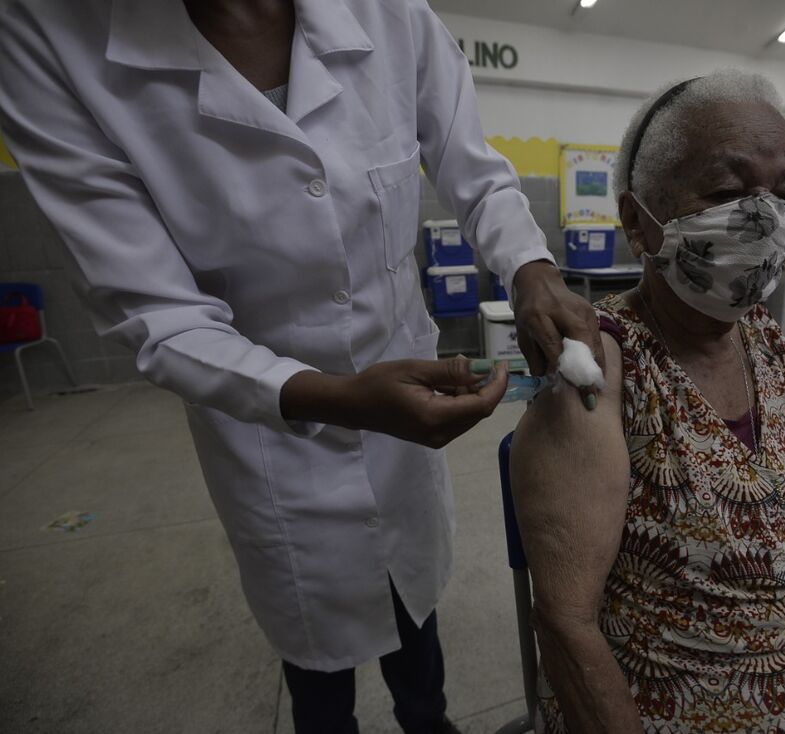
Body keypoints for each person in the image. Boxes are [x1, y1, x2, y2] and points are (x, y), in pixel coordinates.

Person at [0, 1, 604, 732]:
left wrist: (531, 267)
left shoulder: (388, 15)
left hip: (397, 382)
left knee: (414, 608)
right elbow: (155, 309)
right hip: (266, 425)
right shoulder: (44, 32)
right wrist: (331, 398)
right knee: (316, 652)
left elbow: (471, 166)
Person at [510, 70, 785, 733]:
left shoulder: (765, 342)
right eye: (725, 191)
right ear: (637, 221)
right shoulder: (599, 373)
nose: (764, 220)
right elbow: (567, 627)